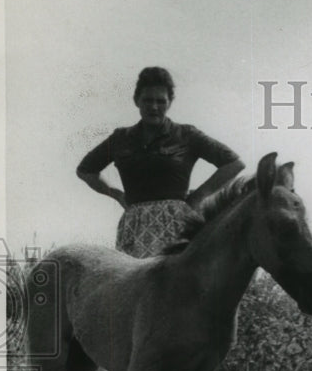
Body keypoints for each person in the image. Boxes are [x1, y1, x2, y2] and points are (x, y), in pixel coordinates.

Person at [77, 66, 245, 257]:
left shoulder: (186, 135)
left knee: (178, 284)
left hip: (178, 224)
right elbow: (86, 170)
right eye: (147, 100)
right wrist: (116, 194)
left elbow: (233, 163)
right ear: (136, 101)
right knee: (135, 284)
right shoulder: (120, 138)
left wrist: (200, 195)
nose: (154, 107)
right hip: (135, 226)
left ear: (170, 103)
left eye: (161, 101)